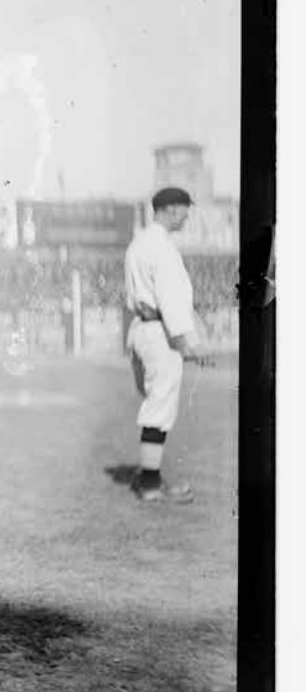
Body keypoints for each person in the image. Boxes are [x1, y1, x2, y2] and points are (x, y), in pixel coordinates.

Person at [123, 187, 212, 503]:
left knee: (154, 401)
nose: (187, 215)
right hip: (160, 331)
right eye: (185, 209)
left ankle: (149, 477)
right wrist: (189, 344)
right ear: (172, 209)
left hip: (142, 330)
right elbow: (172, 302)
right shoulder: (161, 247)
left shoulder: (139, 242)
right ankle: (149, 484)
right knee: (160, 405)